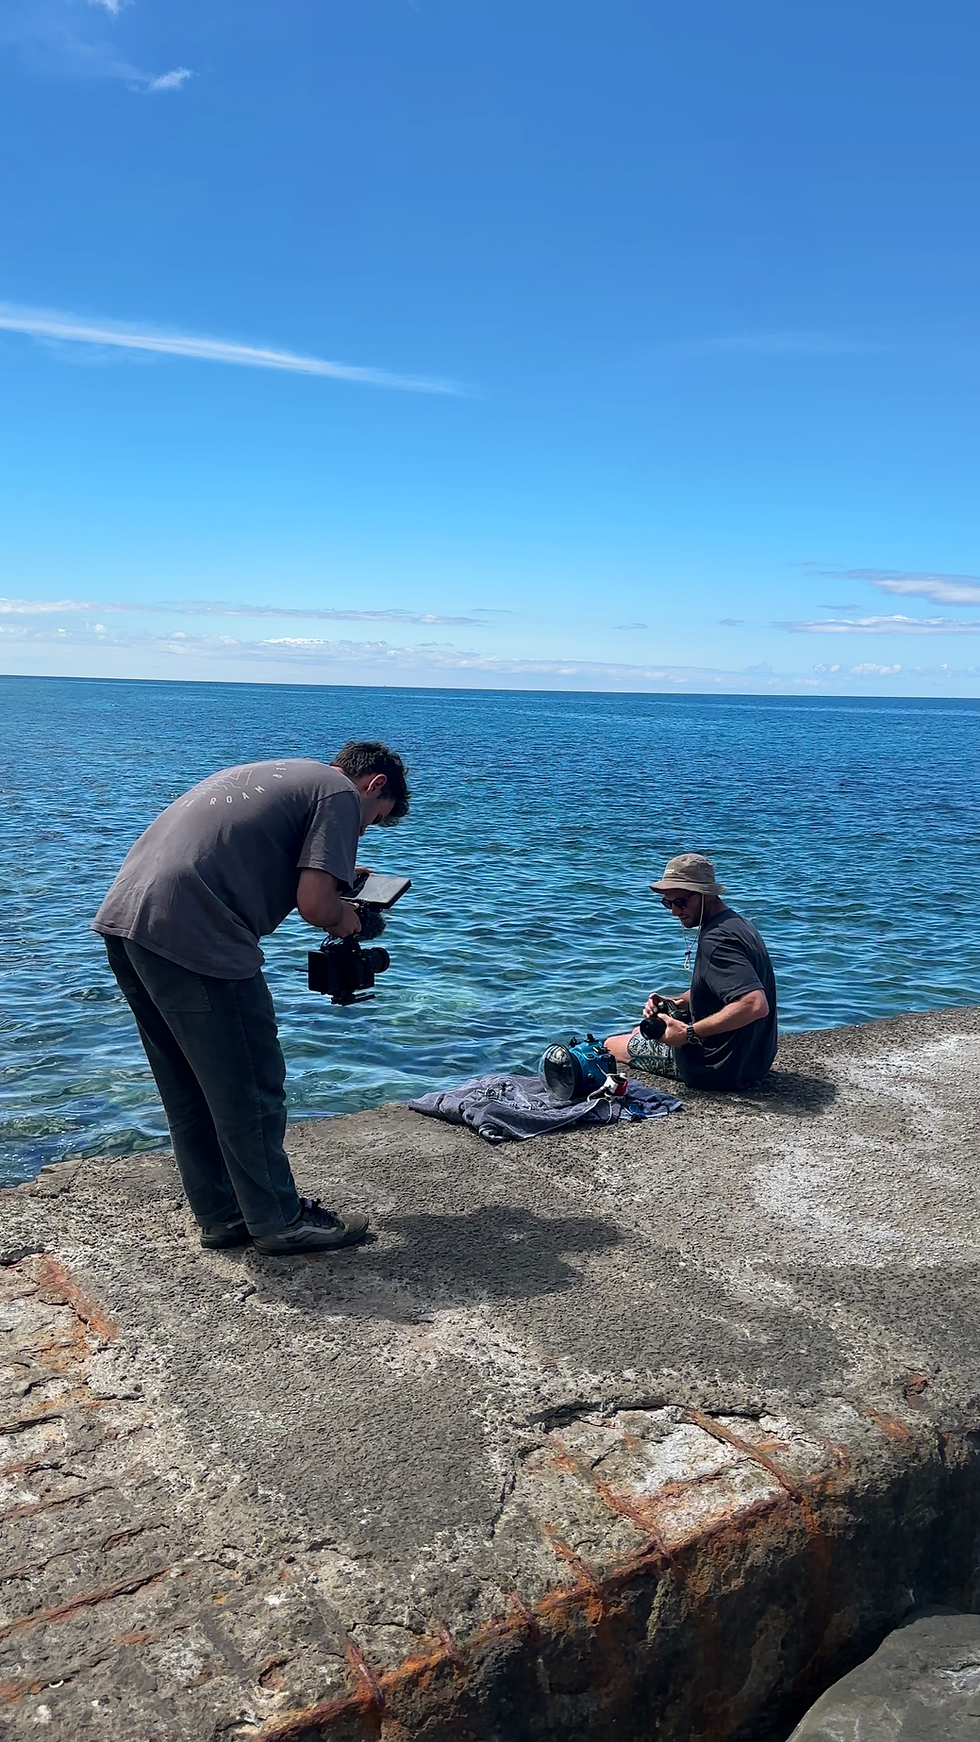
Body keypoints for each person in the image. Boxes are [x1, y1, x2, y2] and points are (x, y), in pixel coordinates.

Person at [92, 742, 410, 1255]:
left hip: (129, 922)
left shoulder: (280, 774)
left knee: (188, 1086)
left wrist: (340, 875)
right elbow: (315, 904)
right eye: (374, 820)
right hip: (195, 934)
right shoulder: (341, 795)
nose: (364, 829)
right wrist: (350, 918)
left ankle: (222, 1215)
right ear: (375, 786)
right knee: (252, 1085)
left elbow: (241, 851)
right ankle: (279, 1221)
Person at [604, 852, 777, 1092]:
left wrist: (688, 1034)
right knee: (639, 1030)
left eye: (681, 902)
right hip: (755, 1062)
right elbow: (721, 986)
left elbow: (754, 1004)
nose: (674, 912)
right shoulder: (738, 925)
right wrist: (676, 1002)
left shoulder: (716, 940)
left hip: (716, 1068)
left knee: (612, 1044)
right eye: (668, 903)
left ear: (706, 894)